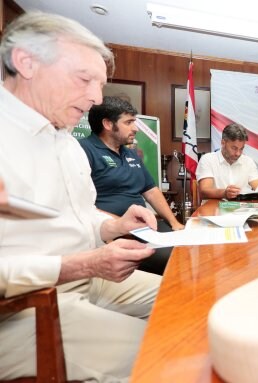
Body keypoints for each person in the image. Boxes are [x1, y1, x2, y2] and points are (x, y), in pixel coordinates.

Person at [0, 12, 161, 382]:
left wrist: (113, 226)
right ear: (26, 63)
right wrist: (82, 265)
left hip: (86, 279)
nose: (96, 98)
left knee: (188, 303)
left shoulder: (65, 141)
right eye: (84, 79)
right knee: (168, 352)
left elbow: (79, 215)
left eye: (99, 84)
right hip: (22, 308)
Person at [80, 96, 184, 275]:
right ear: (107, 124)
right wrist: (121, 224)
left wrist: (175, 224)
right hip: (115, 233)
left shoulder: (130, 153)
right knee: (175, 261)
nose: (135, 128)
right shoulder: (84, 150)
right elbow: (83, 206)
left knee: (190, 250)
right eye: (128, 122)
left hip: (145, 227)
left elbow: (151, 191)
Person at [196, 123, 258, 199]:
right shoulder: (208, 160)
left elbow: (257, 185)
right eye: (234, 148)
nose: (238, 153)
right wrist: (224, 193)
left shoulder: (248, 161)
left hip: (241, 209)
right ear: (223, 143)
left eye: (241, 149)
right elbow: (204, 191)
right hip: (214, 208)